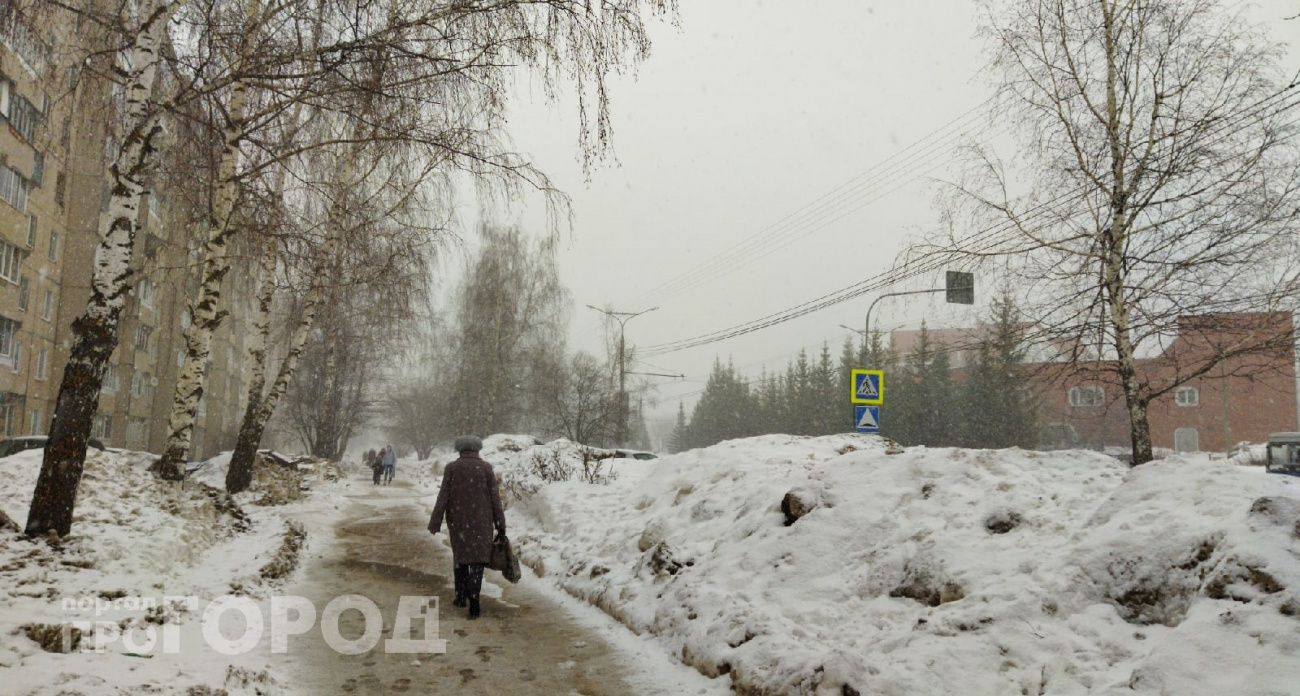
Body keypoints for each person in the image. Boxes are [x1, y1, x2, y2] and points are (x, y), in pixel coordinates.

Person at [428, 435, 505, 619]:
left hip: (458, 523)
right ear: (478, 449)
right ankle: (474, 604)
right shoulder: (486, 468)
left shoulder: (452, 468)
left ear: (459, 449)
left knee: (461, 559)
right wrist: (500, 524)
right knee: (477, 562)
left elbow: (443, 497)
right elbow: (495, 498)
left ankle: (461, 597)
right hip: (482, 522)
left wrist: (435, 522)